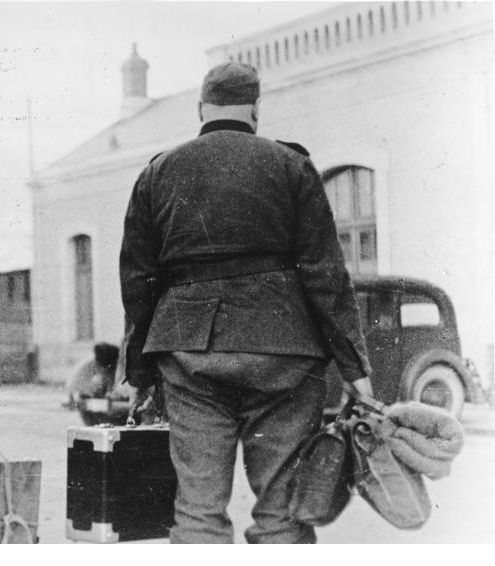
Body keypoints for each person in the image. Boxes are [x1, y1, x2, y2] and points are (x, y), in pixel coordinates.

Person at [119, 62, 374, 544]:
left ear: (201, 108)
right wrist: (355, 369)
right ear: (256, 110)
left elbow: (138, 281)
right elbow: (326, 275)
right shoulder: (291, 165)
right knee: (282, 512)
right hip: (284, 349)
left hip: (189, 352)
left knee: (196, 511)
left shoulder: (158, 172)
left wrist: (138, 374)